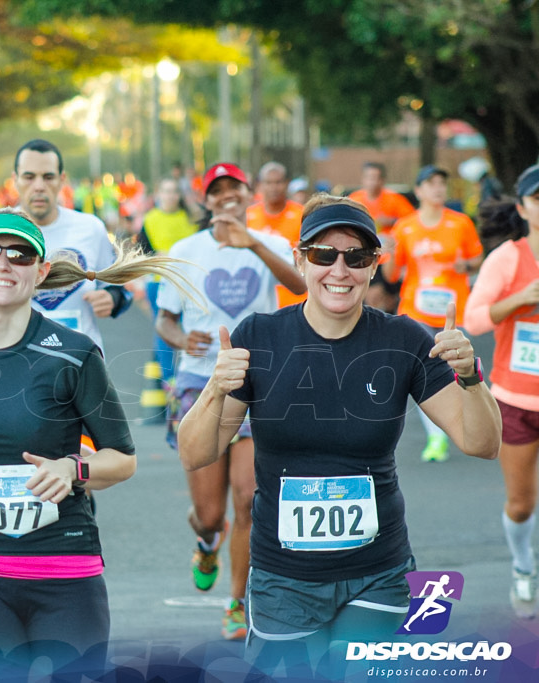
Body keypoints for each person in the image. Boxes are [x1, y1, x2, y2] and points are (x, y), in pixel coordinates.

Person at [177, 194, 500, 677]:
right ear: (300, 260)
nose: (340, 270)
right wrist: (215, 390)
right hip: (282, 580)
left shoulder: (404, 339)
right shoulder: (260, 336)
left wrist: (471, 376)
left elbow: (483, 443)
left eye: (357, 257)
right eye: (324, 256)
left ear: (375, 266)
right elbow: (195, 452)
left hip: (378, 574)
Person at [0, 208, 201, 677]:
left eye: (20, 254)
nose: (3, 263)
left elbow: (122, 460)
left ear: (41, 272)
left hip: (65, 572)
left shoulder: (74, 353)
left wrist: (73, 469)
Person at [155, 162, 306, 641]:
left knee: (248, 498)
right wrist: (182, 340)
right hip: (200, 384)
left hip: (259, 383)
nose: (227, 197)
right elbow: (164, 319)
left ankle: (237, 602)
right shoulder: (185, 251)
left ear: (248, 195)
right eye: (217, 192)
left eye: (234, 190)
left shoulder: (271, 243)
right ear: (207, 201)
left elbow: (301, 286)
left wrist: (254, 245)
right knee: (212, 513)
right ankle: (204, 539)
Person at [0, 139, 132, 352]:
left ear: (62, 180)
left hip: (79, 365)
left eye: (48, 177)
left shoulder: (91, 228)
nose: (39, 186)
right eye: (29, 177)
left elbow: (120, 289)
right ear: (15, 180)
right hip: (16, 367)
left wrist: (113, 298)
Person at [465, 163, 539, 619]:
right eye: (538, 200)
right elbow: (475, 320)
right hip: (516, 399)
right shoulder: (509, 258)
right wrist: (522, 298)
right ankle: (522, 565)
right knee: (520, 501)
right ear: (523, 208)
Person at [382, 165, 484, 462]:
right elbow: (391, 275)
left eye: (442, 183)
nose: (438, 188)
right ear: (419, 191)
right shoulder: (405, 226)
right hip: (416, 309)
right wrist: (388, 251)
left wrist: (466, 266)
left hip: (452, 310)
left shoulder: (461, 223)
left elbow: (478, 258)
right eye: (431, 183)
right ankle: (437, 437)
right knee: (426, 370)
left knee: (453, 370)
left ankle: (461, 423)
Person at [137, 177, 197, 384]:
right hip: (159, 282)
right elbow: (142, 253)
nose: (170, 196)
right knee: (163, 328)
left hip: (188, 283)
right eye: (166, 191)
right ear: (159, 193)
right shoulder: (150, 219)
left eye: (174, 191)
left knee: (189, 327)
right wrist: (159, 256)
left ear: (179, 195)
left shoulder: (189, 219)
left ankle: (191, 373)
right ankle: (169, 379)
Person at [348, 162, 416, 313]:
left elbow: (413, 221)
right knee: (373, 296)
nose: (372, 182)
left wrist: (391, 220)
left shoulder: (394, 200)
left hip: (389, 256)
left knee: (390, 300)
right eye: (369, 178)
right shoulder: (354, 200)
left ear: (383, 180)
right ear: (363, 179)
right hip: (366, 255)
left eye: (376, 178)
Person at [247, 161, 308, 308]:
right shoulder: (248, 217)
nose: (273, 188)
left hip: (294, 298)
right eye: (268, 183)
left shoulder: (302, 215)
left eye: (278, 182)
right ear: (260, 185)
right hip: (258, 298)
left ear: (287, 184)